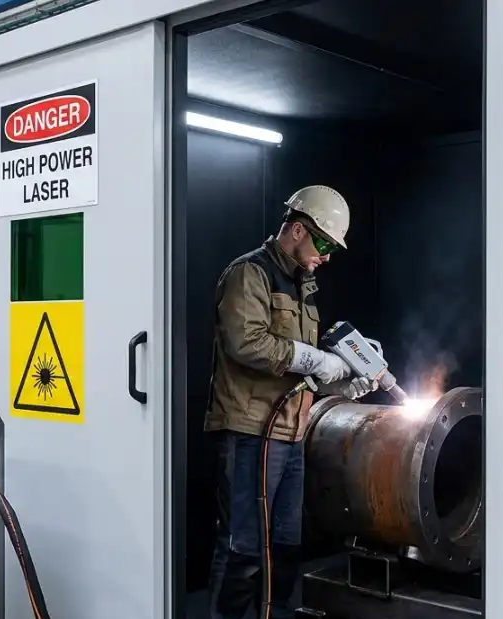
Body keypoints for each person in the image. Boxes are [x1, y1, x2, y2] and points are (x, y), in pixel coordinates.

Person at [204, 185, 375, 619]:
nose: (327, 255)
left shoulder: (304, 285)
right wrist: (314, 358)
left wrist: (336, 385)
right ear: (297, 229)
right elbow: (247, 342)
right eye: (323, 243)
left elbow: (297, 369)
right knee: (242, 547)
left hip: (292, 432)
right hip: (250, 433)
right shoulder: (250, 274)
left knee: (284, 546)